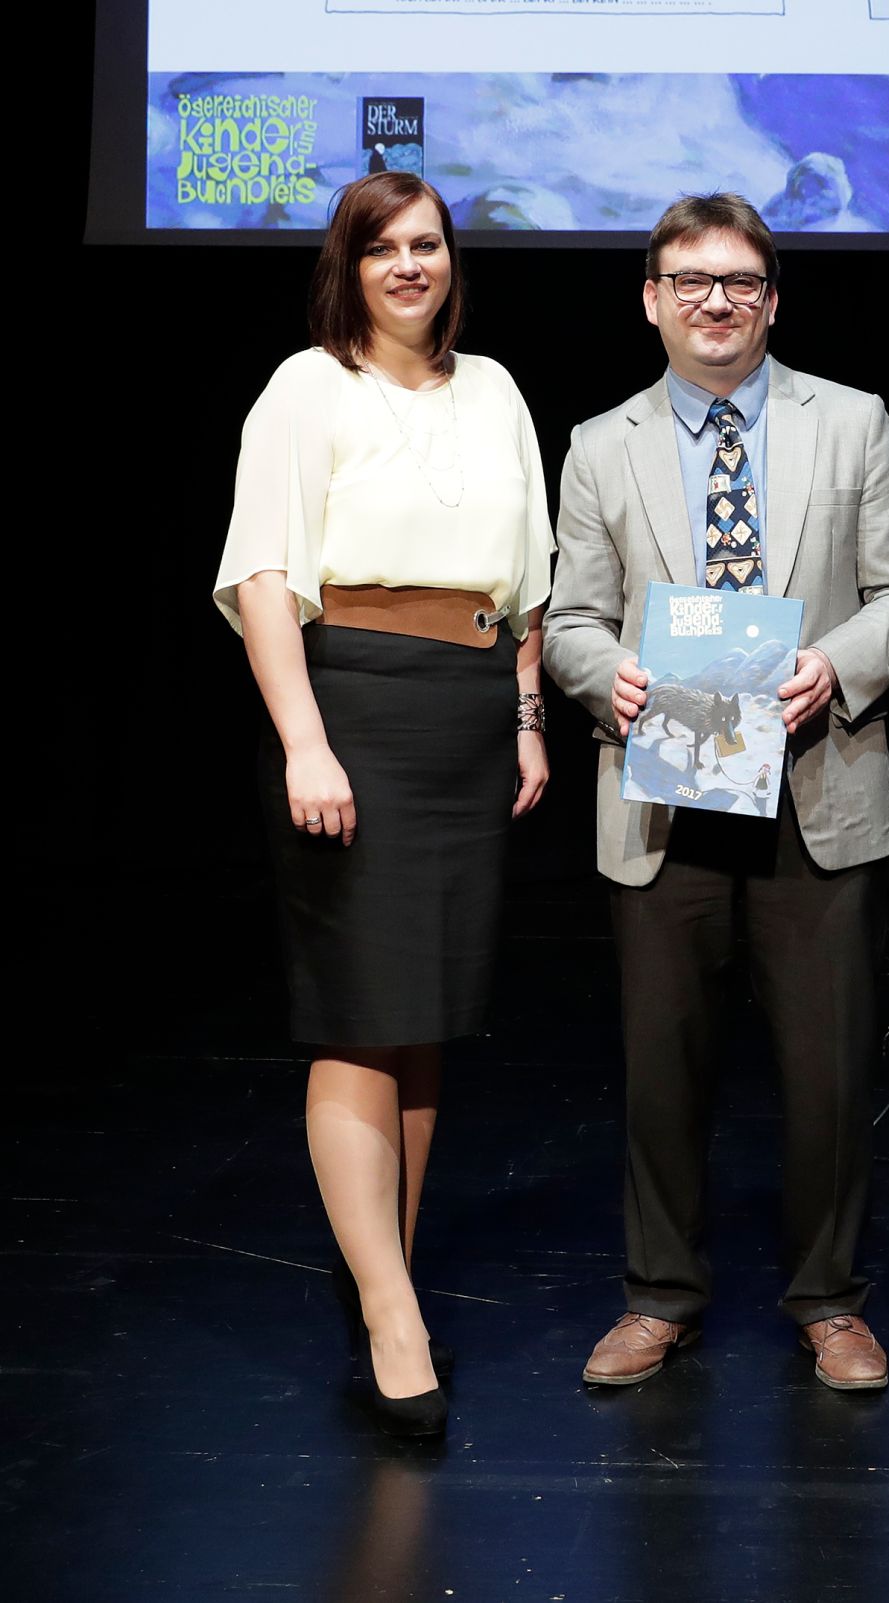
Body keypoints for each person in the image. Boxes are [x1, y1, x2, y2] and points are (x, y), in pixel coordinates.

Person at [543, 194, 889, 1392]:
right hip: (663, 802)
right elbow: (566, 620)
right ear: (652, 298)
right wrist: (607, 674)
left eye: (741, 282)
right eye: (691, 280)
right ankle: (660, 1295)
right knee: (664, 1070)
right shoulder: (599, 442)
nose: (717, 300)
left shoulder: (850, 423)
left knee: (826, 1075)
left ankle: (828, 1300)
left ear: (772, 298)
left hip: (816, 794)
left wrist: (839, 663)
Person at [214, 172, 554, 1438]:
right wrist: (306, 743)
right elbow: (261, 578)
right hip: (352, 711)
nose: (409, 265)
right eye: (383, 249)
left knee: (421, 1026)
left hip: (467, 719)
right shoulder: (308, 387)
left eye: (427, 245)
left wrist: (524, 718)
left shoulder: (499, 388)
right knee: (358, 1021)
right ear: (348, 266)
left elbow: (526, 587)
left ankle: (384, 1294)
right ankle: (394, 1319)